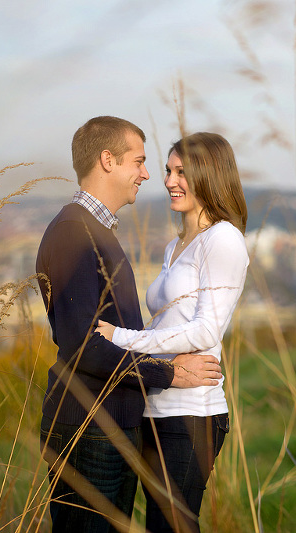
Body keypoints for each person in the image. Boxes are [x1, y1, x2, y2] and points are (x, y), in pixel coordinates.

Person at [36, 117, 223, 533]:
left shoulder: (94, 230)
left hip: (108, 422)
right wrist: (170, 374)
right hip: (89, 426)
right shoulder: (74, 233)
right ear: (107, 160)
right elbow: (85, 346)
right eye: (138, 161)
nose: (147, 173)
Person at [96, 132, 249, 532]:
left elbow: (204, 331)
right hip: (155, 405)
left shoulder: (223, 239)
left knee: (173, 526)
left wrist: (122, 339)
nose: (168, 180)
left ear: (211, 176)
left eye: (182, 172)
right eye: (168, 170)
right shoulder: (176, 245)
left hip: (191, 413)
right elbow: (169, 323)